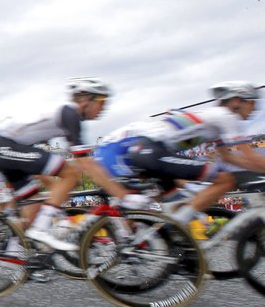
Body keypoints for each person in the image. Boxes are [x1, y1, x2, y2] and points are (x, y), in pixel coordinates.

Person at [0, 78, 129, 251]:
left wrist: (58, 189)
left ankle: (13, 252)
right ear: (84, 99)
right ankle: (41, 229)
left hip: (6, 150)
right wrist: (123, 194)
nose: (104, 108)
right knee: (71, 173)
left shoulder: (64, 118)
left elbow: (40, 165)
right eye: (101, 102)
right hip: (0, 147)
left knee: (34, 205)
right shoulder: (70, 113)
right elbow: (84, 163)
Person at [96, 81, 265, 225]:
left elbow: (229, 157)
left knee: (178, 199)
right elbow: (250, 157)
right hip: (152, 151)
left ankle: (165, 237)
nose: (254, 109)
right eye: (252, 103)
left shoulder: (215, 119)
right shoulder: (226, 117)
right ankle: (177, 226)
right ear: (237, 101)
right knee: (225, 180)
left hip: (146, 152)